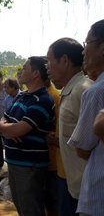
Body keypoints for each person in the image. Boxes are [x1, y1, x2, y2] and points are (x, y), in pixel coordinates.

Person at [0, 56, 55, 216]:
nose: (20, 71)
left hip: (30, 166)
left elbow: (19, 129)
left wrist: (5, 129)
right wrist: (6, 128)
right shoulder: (22, 96)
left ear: (35, 74)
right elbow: (4, 119)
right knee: (22, 209)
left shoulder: (42, 100)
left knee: (31, 210)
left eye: (24, 68)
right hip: (15, 162)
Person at [46, 37, 92, 216]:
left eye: (49, 60)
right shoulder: (69, 90)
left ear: (64, 60)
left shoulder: (84, 90)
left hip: (84, 188)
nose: (47, 66)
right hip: (72, 181)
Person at [68, 19, 104, 216]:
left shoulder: (95, 92)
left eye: (87, 44)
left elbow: (82, 149)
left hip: (97, 198)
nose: (84, 52)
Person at [44, 78, 60, 216]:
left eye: (25, 69)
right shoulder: (28, 94)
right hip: (40, 159)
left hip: (52, 160)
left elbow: (57, 130)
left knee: (52, 202)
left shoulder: (54, 96)